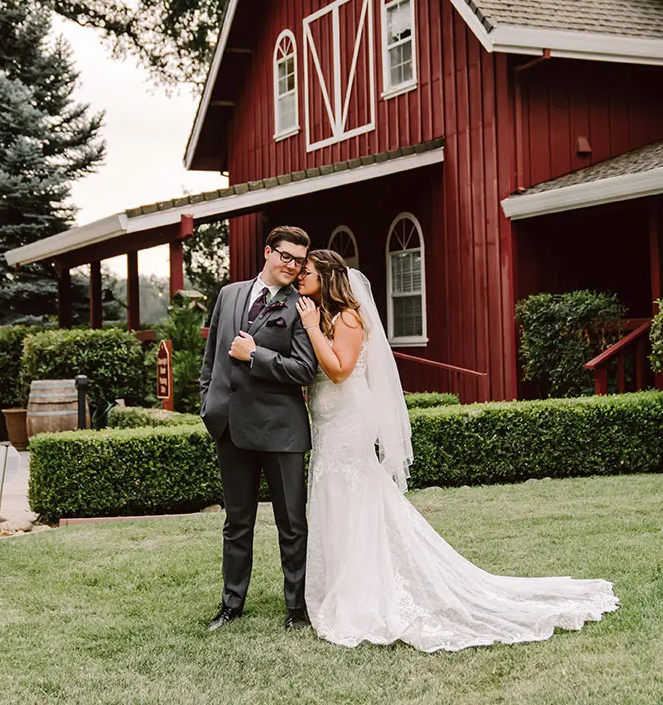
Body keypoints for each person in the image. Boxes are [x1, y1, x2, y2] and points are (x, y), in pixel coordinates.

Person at [295, 248, 619, 652]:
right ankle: (340, 585)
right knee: (335, 501)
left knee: (352, 500)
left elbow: (341, 370)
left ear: (327, 276)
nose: (299, 275)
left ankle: (360, 593)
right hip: (328, 425)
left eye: (306, 270)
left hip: (349, 424)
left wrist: (310, 327)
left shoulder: (347, 318)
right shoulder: (326, 316)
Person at [199, 226, 318, 632]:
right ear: (268, 252)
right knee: (237, 523)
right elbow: (211, 353)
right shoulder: (229, 294)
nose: (293, 266)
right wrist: (208, 402)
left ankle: (296, 609)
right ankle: (231, 605)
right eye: (286, 256)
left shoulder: (301, 306)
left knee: (292, 523)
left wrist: (257, 355)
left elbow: (305, 369)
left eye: (300, 261)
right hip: (230, 427)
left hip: (281, 431)